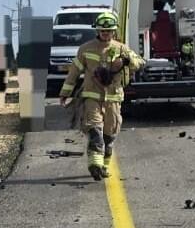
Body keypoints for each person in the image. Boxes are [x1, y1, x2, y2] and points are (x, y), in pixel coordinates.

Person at [59, 11, 144, 180]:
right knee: (94, 130)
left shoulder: (121, 48)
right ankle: (94, 164)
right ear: (97, 31)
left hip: (113, 98)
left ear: (114, 31)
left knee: (109, 134)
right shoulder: (85, 49)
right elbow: (73, 73)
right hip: (92, 96)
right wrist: (65, 93)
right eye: (103, 31)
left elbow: (140, 62)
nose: (106, 34)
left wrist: (126, 61)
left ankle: (104, 166)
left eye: (109, 31)